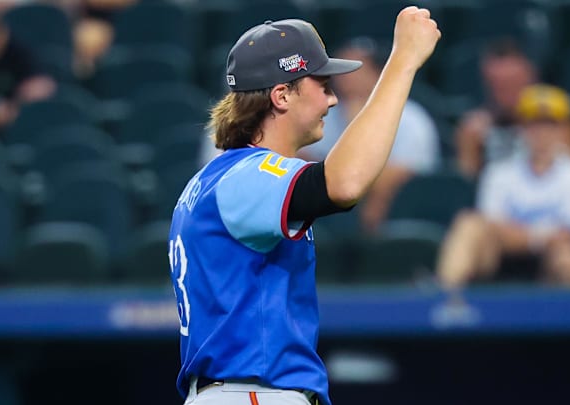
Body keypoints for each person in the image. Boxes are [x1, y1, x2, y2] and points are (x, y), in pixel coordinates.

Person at [169, 7, 440, 405]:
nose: (332, 99)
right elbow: (344, 183)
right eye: (321, 83)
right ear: (281, 94)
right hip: (252, 393)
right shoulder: (246, 175)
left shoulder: (212, 179)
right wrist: (403, 61)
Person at [437, 84, 570, 289]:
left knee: (566, 254)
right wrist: (539, 236)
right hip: (499, 257)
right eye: (533, 124)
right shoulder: (499, 172)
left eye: (550, 124)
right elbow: (490, 226)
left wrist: (520, 235)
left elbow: (569, 234)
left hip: (550, 261)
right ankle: (446, 304)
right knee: (469, 225)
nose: (541, 133)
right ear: (522, 129)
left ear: (567, 129)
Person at [300, 36, 441, 232]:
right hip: (332, 204)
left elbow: (406, 173)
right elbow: (304, 159)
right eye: (341, 69)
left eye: (354, 69)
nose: (344, 76)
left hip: (399, 206)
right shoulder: (328, 113)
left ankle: (370, 245)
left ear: (378, 73)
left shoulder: (410, 117)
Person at [455, 38, 539, 178]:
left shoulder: (552, 124)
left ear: (530, 80)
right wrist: (470, 148)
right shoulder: (474, 130)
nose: (507, 94)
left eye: (513, 85)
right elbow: (464, 182)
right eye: (499, 86)